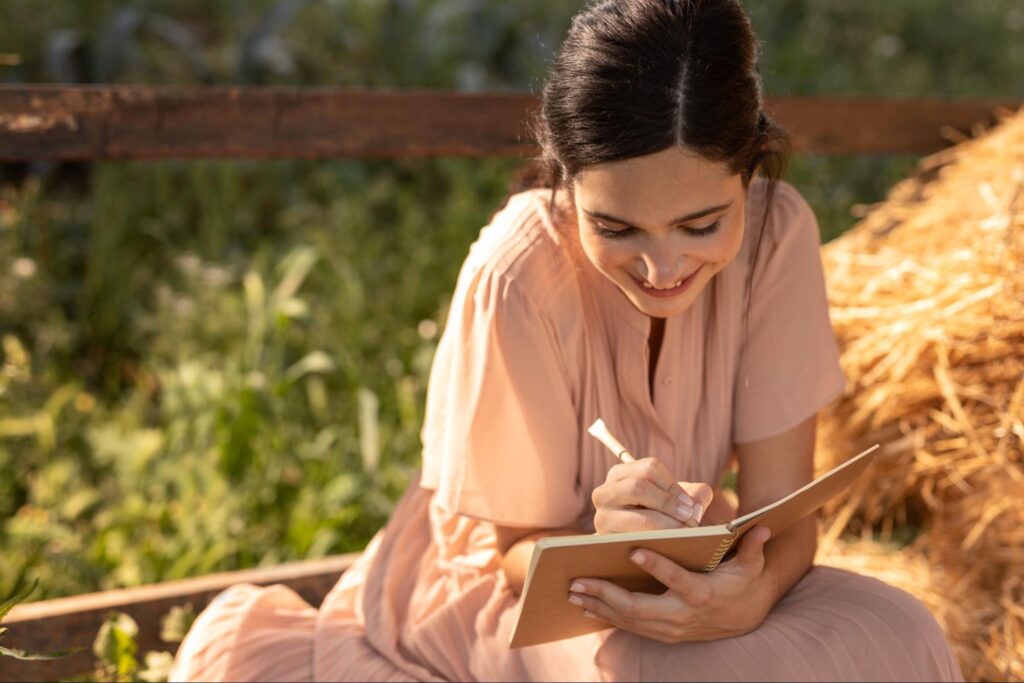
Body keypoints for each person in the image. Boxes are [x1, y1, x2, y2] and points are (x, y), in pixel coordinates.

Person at [170, 0, 964, 680]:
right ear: (566, 177)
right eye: (615, 226)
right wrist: (600, 541)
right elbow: (515, 551)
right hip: (511, 590)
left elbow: (781, 516)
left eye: (702, 224)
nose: (662, 268)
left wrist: (752, 591)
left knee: (903, 633)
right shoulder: (516, 274)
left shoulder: (778, 235)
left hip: (694, 573)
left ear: (751, 170)